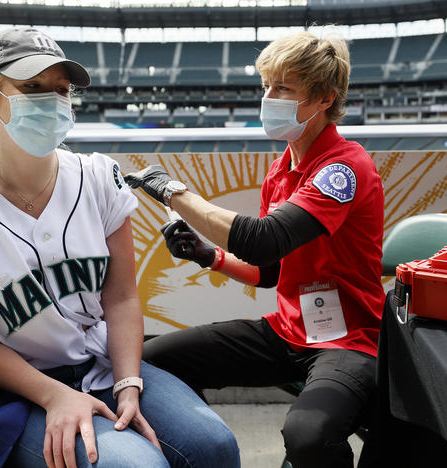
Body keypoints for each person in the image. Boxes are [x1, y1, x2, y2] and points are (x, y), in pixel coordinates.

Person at [0, 27, 239, 468]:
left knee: (214, 448)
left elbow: (121, 298)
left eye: (61, 89)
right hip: (18, 390)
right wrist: (55, 396)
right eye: (32, 87)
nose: (51, 100)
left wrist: (128, 383)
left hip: (103, 364)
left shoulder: (99, 176)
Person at [129, 31, 385, 468]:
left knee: (308, 436)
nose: (269, 97)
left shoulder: (344, 167)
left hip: (350, 342)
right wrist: (206, 255)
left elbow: (263, 238)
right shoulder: (281, 168)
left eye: (283, 88)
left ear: (324, 98)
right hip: (288, 331)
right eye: (266, 86)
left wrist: (173, 192)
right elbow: (269, 269)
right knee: (151, 363)